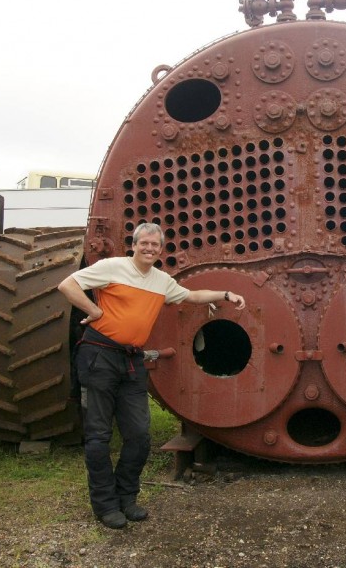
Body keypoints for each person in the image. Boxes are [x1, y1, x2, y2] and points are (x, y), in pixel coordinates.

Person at [58, 222, 246, 529]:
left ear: (160, 249)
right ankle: (105, 505)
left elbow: (193, 296)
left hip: (131, 360)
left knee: (140, 436)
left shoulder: (161, 281)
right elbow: (67, 285)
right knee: (98, 436)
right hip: (99, 356)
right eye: (143, 243)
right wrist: (92, 311)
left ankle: (126, 498)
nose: (149, 248)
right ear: (133, 245)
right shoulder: (112, 267)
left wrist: (226, 293)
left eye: (154, 245)